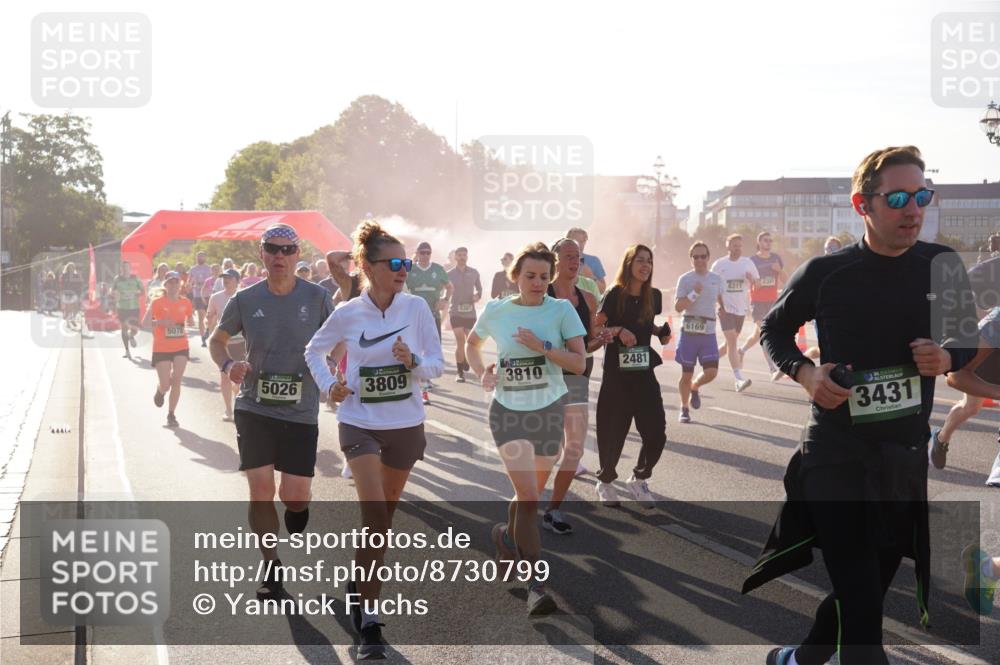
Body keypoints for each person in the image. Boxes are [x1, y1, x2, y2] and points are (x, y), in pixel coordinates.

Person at [745, 145, 978, 665]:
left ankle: (800, 659)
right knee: (866, 626)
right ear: (862, 205)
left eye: (922, 195)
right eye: (897, 197)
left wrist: (946, 355)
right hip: (837, 457)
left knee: (865, 588)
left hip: (901, 461)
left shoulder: (942, 266)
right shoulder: (827, 272)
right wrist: (806, 374)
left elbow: (966, 338)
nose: (913, 208)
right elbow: (774, 329)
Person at [304, 221, 443, 657]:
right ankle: (369, 621)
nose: (404, 269)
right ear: (368, 266)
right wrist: (330, 386)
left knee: (380, 525)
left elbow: (436, 366)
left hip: (405, 425)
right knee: (376, 518)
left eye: (406, 262)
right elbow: (314, 351)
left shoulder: (417, 308)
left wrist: (414, 361)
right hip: (359, 421)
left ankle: (360, 579)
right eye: (395, 262)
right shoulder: (348, 313)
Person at [209, 224, 334, 602]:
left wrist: (334, 375)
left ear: (298, 255)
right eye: (272, 249)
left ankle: (298, 510)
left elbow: (338, 339)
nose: (279, 256)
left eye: (287, 249)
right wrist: (228, 365)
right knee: (261, 489)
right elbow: (217, 340)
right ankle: (271, 566)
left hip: (300, 411)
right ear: (261, 254)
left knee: (294, 496)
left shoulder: (317, 298)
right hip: (254, 407)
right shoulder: (245, 300)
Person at [466, 241, 587, 616]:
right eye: (530, 276)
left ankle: (504, 536)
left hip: (549, 410)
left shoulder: (562, 310)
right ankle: (536, 584)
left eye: (544, 277)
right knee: (530, 498)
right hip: (507, 411)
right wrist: (480, 371)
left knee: (527, 496)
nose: (538, 283)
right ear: (514, 276)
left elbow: (579, 363)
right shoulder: (496, 310)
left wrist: (544, 346)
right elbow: (472, 344)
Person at [539, 238, 610, 534]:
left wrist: (601, 339)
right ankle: (525, 500)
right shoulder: (544, 294)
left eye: (578, 257)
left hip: (578, 376)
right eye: (568, 256)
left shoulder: (587, 298)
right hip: (548, 377)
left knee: (575, 446)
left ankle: (553, 509)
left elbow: (588, 343)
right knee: (549, 448)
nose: (574, 262)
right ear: (555, 260)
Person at [592, 245, 671, 508]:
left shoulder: (654, 296)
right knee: (613, 431)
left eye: (649, 261)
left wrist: (660, 333)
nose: (645, 265)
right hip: (617, 376)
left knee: (656, 432)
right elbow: (595, 326)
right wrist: (617, 330)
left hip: (644, 373)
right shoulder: (615, 294)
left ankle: (639, 479)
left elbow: (646, 324)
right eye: (640, 260)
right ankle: (605, 481)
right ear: (629, 263)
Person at [933, 306, 1000, 482]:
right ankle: (941, 437)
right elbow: (956, 376)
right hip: (982, 368)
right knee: (970, 407)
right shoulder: (996, 322)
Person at [674, 241, 724, 423]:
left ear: (708, 258)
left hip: (708, 332)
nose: (700, 260)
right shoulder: (685, 279)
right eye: (696, 257)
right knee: (686, 374)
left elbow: (719, 297)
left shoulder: (716, 279)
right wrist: (693, 294)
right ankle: (684, 408)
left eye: (703, 256)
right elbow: (678, 307)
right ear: (691, 259)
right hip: (689, 332)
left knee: (712, 372)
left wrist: (723, 309)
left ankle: (695, 386)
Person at [142, 271, 194, 428]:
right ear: (165, 285)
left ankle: (171, 414)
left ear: (180, 284)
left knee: (177, 380)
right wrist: (161, 322)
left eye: (176, 282)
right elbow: (145, 323)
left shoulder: (186, 302)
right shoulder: (157, 302)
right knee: (166, 384)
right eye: (170, 282)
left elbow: (190, 319)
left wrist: (191, 320)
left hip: (181, 346)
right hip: (162, 347)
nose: (173, 285)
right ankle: (160, 390)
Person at [405, 241, 453, 404]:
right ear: (417, 253)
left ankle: (424, 381)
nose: (425, 256)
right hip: (413, 317)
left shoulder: (438, 269)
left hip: (433, 316)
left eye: (428, 253)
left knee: (431, 350)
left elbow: (450, 287)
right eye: (422, 252)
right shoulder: (409, 268)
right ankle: (421, 384)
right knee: (415, 348)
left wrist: (445, 300)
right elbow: (400, 287)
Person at [712, 234, 758, 392]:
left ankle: (709, 361)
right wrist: (720, 304)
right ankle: (738, 379)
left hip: (741, 310)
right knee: (732, 342)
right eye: (734, 245)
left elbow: (756, 285)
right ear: (728, 246)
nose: (737, 248)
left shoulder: (747, 263)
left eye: (739, 245)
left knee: (727, 345)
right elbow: (713, 286)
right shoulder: (719, 264)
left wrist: (752, 280)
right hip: (725, 309)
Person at [743, 231, 786, 381]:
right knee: (764, 333)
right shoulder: (751, 260)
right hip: (757, 301)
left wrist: (779, 270)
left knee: (758, 334)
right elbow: (746, 280)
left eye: (770, 240)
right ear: (759, 242)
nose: (768, 243)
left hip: (772, 302)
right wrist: (754, 281)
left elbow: (785, 279)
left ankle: (742, 350)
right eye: (765, 240)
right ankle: (772, 368)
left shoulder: (776, 258)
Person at [205, 269, 244, 421]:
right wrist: (208, 323)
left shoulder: (243, 296)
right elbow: (211, 317)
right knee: (225, 377)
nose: (225, 280)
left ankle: (238, 404)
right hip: (223, 343)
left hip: (241, 343)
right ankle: (229, 410)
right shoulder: (215, 297)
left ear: (237, 280)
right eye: (223, 278)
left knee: (240, 378)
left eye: (229, 277)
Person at [803, 237, 844, 360]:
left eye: (833, 247)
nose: (829, 250)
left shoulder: (846, 267)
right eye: (827, 248)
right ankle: (797, 363)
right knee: (827, 349)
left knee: (830, 349)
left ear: (840, 249)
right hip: (821, 315)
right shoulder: (819, 268)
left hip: (841, 315)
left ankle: (801, 360)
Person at [448, 247, 483, 382]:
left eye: (464, 255)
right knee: (460, 341)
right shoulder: (449, 274)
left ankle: (467, 360)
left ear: (467, 257)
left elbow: (479, 288)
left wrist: (477, 295)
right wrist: (445, 298)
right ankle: (459, 372)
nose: (462, 257)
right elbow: (445, 288)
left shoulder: (474, 272)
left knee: (470, 341)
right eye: (460, 255)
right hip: (455, 311)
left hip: (470, 312)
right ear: (455, 257)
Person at [110, 261, 145, 360]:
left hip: (134, 307)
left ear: (130, 268)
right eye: (123, 267)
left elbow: (142, 291)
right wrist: (114, 294)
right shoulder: (117, 279)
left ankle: (131, 336)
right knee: (124, 328)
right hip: (122, 307)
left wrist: (136, 294)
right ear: (121, 269)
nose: (125, 269)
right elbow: (111, 290)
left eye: (127, 267)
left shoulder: (135, 278)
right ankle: (127, 350)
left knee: (135, 328)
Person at [566, 227, 607, 294]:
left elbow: (602, 290)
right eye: (576, 241)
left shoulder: (594, 261)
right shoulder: (559, 260)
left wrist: (591, 277)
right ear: (567, 241)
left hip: (590, 303)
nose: (579, 244)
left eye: (582, 241)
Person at [189, 252, 213, 348]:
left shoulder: (209, 268)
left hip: (209, 295)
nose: (200, 258)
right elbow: (189, 282)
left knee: (210, 317)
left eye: (202, 257)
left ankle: (208, 331)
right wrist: (192, 284)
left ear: (205, 258)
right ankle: (203, 338)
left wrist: (205, 284)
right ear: (196, 258)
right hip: (197, 295)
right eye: (198, 257)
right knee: (200, 316)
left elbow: (213, 280)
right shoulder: (193, 269)